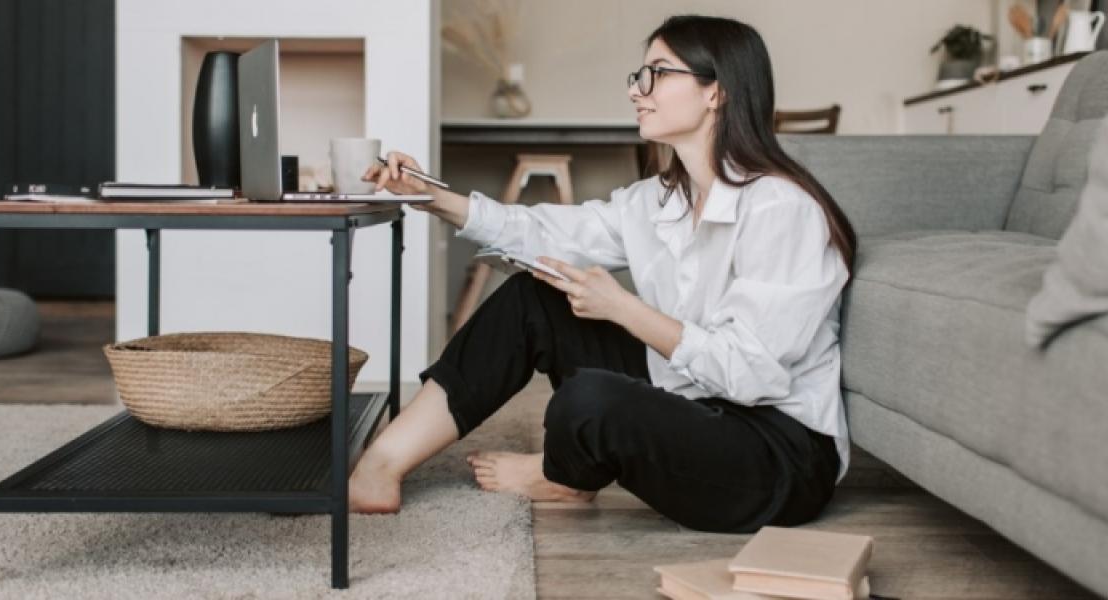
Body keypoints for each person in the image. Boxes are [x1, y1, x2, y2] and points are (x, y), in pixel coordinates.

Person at [350, 14, 857, 534]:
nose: (639, 91)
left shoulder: (780, 210)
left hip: (777, 452)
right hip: (694, 400)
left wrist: (623, 308)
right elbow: (540, 233)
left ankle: (563, 475)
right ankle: (382, 463)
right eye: (639, 76)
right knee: (534, 297)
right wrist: (432, 198)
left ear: (716, 92)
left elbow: (751, 375)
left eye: (658, 73)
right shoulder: (660, 200)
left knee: (588, 402)